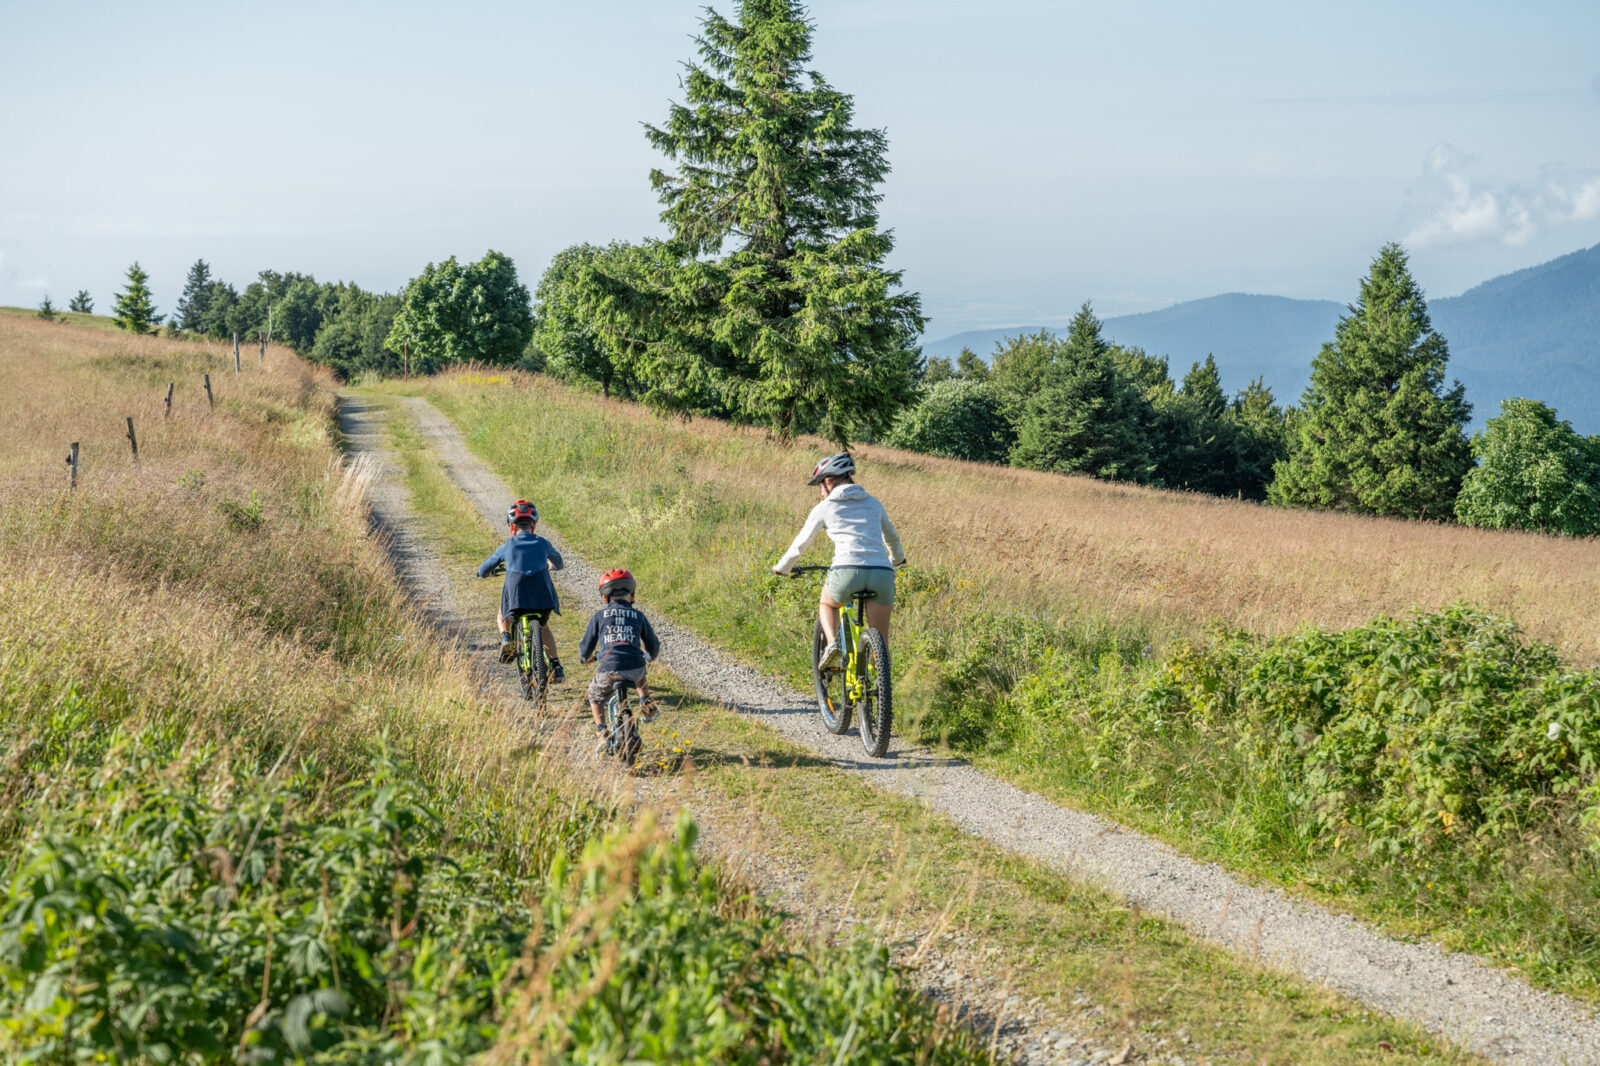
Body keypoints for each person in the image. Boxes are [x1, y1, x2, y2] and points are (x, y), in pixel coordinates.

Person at [771, 452, 906, 666]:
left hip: (846, 571)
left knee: (828, 604)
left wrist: (783, 567)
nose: (821, 493)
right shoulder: (874, 503)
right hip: (882, 573)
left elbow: (801, 543)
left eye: (820, 486)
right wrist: (897, 558)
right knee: (881, 641)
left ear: (829, 481)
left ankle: (832, 643)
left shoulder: (825, 507)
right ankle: (880, 688)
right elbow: (891, 536)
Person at [477, 500, 565, 683]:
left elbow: (484, 569)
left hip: (517, 597)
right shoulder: (543, 543)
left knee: (503, 612)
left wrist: (485, 573)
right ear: (533, 525)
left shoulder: (508, 545)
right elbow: (559, 563)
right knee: (543, 626)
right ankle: (556, 666)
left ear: (512, 526)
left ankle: (506, 639)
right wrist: (550, 564)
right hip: (543, 597)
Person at [578, 569, 660, 749]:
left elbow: (586, 644)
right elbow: (653, 645)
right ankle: (647, 704)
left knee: (595, 694)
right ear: (631, 595)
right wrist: (648, 656)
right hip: (635, 669)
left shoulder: (599, 616)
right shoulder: (639, 616)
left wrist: (584, 658)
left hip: (608, 669)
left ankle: (601, 731)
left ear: (605, 597)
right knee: (640, 668)